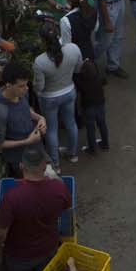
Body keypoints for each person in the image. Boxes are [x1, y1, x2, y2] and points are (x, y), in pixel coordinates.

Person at [0, 145, 73, 271]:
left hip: (20, 254)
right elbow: (67, 207)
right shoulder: (59, 188)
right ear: (45, 166)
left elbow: (0, 233)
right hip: (49, 247)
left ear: (22, 166)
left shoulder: (12, 197)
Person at [33, 22, 84, 167]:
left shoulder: (40, 62)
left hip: (49, 98)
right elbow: (78, 69)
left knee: (51, 130)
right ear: (58, 34)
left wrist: (36, 88)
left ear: (42, 40)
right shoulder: (73, 49)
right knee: (71, 123)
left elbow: (40, 87)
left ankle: (55, 164)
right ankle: (72, 154)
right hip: (69, 92)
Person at [0, 60, 48, 174]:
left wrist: (40, 118)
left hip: (36, 149)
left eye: (26, 84)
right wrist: (27, 141)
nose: (26, 88)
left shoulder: (21, 93)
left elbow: (27, 110)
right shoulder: (0, 112)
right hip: (21, 160)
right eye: (21, 86)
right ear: (8, 85)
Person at [55, 0, 98, 64]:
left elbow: (67, 45)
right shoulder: (92, 10)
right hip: (88, 51)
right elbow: (94, 28)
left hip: (75, 58)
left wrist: (58, 39)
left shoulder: (66, 20)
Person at [75, 56, 109, 155]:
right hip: (100, 104)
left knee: (90, 128)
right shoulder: (99, 78)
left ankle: (92, 149)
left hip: (88, 107)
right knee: (102, 124)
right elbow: (105, 80)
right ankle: (105, 144)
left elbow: (75, 79)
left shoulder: (81, 82)